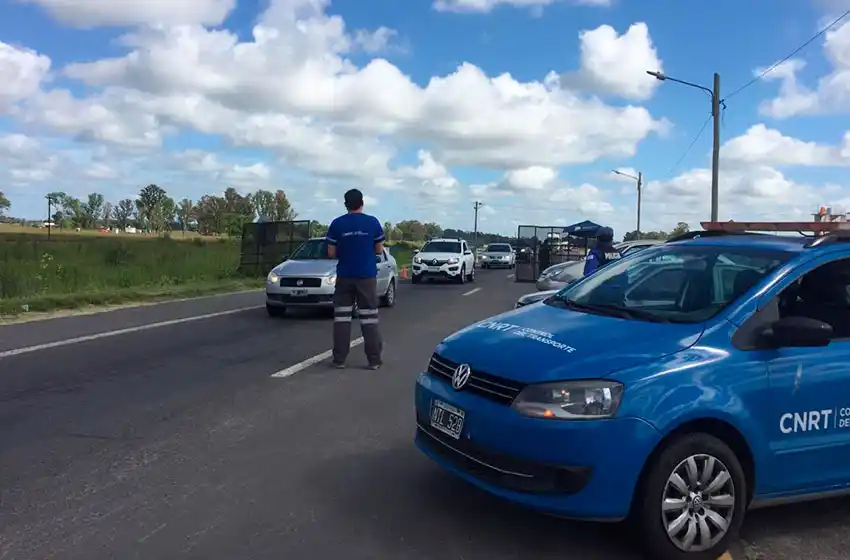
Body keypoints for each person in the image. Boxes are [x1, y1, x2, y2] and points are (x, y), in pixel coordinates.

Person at [326, 189, 385, 369]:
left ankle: (339, 360)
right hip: (366, 276)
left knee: (342, 319)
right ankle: (374, 360)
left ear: (346, 204)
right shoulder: (372, 222)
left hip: (344, 276)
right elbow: (379, 249)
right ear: (362, 202)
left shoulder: (337, 224)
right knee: (369, 319)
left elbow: (331, 252)